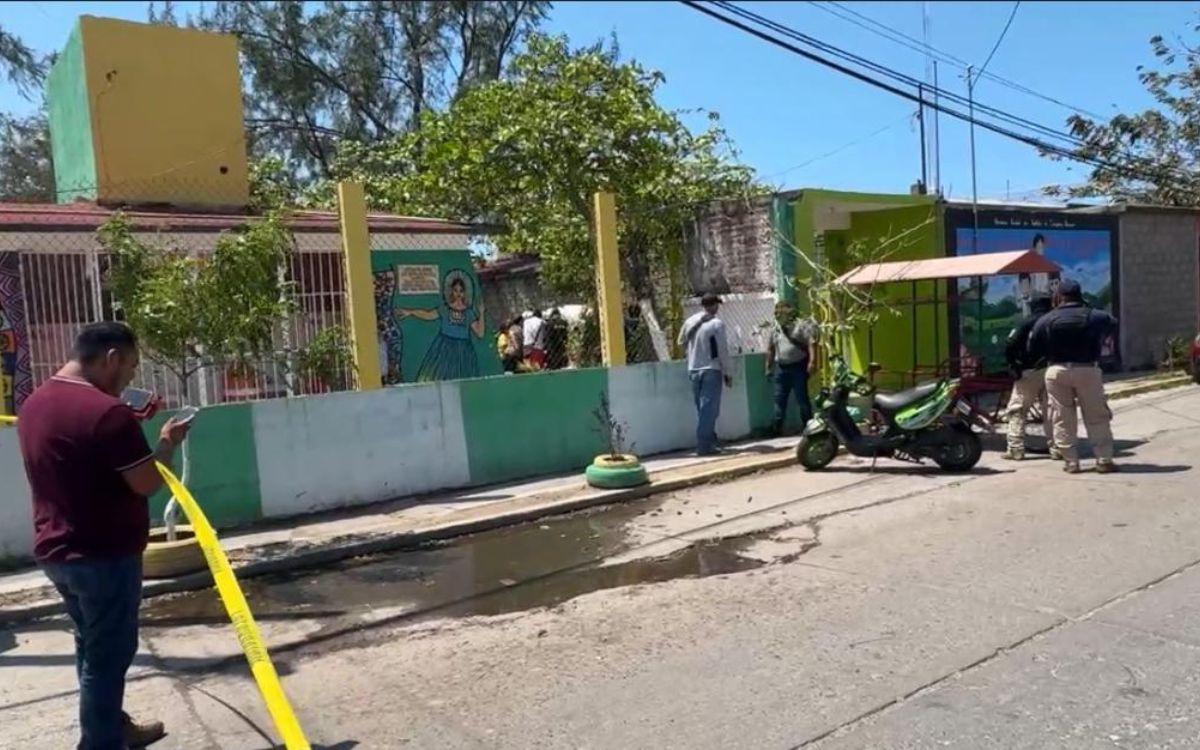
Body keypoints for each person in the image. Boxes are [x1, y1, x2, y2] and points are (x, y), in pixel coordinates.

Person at [17, 322, 191, 750]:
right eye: (130, 367)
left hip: (56, 550)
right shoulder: (107, 415)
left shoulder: (35, 402)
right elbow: (147, 482)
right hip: (102, 555)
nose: (131, 378)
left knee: (92, 648)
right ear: (110, 358)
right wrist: (166, 442)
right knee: (108, 658)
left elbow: (81, 460)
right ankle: (101, 743)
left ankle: (114, 728)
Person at [1028, 279, 1119, 474]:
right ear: (1080, 294)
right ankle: (1103, 460)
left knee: (1061, 417)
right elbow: (1112, 323)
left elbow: (1032, 346)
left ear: (1059, 296)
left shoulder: (1047, 319)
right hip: (1087, 369)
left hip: (1056, 370)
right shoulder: (1095, 316)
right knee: (1096, 415)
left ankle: (1071, 461)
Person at [397, 271, 486, 381]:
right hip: (444, 349)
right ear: (451, 291)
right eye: (455, 290)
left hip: (463, 351)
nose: (458, 294)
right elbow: (428, 315)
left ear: (465, 293)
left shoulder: (468, 313)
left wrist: (481, 314)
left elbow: (480, 333)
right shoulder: (445, 309)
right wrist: (410, 312)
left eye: (461, 291)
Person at [678, 293, 732, 456]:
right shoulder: (716, 324)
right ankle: (704, 446)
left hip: (693, 369)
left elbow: (680, 342)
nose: (717, 308)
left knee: (703, 410)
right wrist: (727, 372)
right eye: (717, 305)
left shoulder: (690, 321)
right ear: (714, 305)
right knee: (709, 410)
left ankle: (711, 439)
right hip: (711, 369)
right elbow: (722, 350)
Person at [1002, 291, 1053, 461]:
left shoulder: (1026, 322)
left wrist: (1013, 364)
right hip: (1054, 370)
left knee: (1018, 409)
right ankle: (1058, 447)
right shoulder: (1056, 320)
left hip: (1030, 371)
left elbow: (1010, 343)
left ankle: (1016, 448)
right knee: (1052, 410)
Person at [765, 301, 818, 436]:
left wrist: (812, 361)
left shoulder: (799, 326)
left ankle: (808, 426)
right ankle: (776, 429)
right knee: (779, 400)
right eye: (776, 313)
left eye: (780, 312)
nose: (777, 315)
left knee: (802, 399)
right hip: (781, 369)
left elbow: (811, 343)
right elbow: (770, 349)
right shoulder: (775, 328)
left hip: (798, 367)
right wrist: (768, 366)